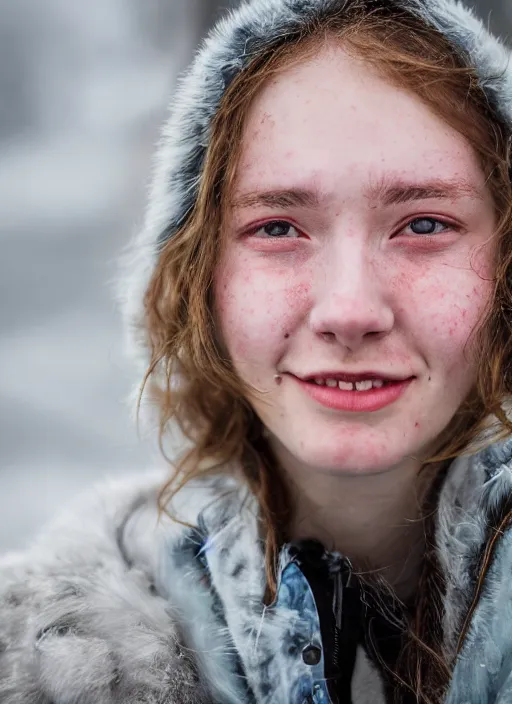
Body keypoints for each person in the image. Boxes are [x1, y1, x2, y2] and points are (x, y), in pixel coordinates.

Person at [2, 0, 512, 701]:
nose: (350, 311)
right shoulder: (55, 663)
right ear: (196, 278)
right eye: (278, 228)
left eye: (424, 223)